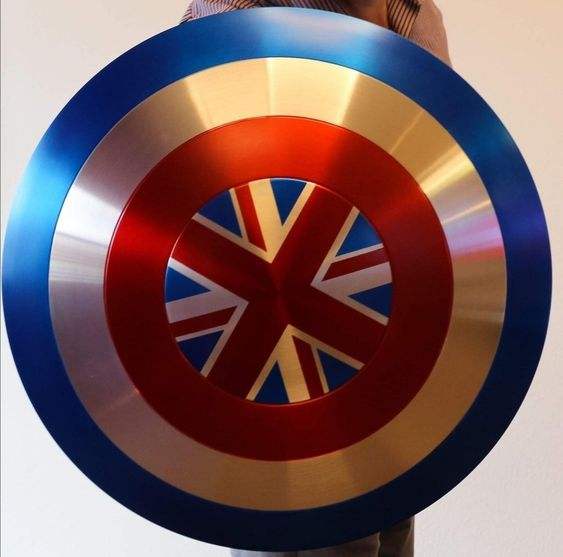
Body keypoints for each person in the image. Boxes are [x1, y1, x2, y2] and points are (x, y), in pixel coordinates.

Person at [180, 1, 451, 555]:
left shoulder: (416, 13)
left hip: (389, 321)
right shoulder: (234, 7)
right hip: (267, 322)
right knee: (293, 528)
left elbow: (441, 162)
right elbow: (186, 132)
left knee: (382, 526)